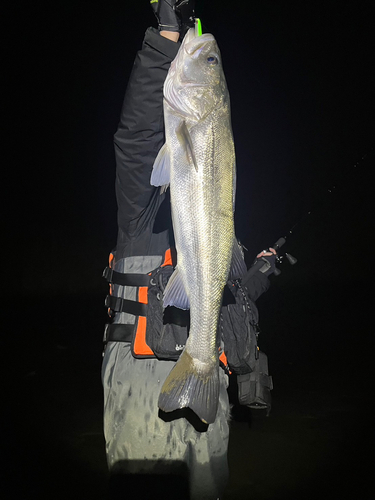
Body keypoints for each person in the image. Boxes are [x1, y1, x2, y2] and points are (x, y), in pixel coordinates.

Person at [101, 2, 275, 498]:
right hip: (141, 397)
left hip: (207, 401)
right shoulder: (142, 215)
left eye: (212, 63)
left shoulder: (217, 221)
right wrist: (167, 37)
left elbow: (230, 289)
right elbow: (136, 137)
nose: (210, 57)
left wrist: (262, 270)